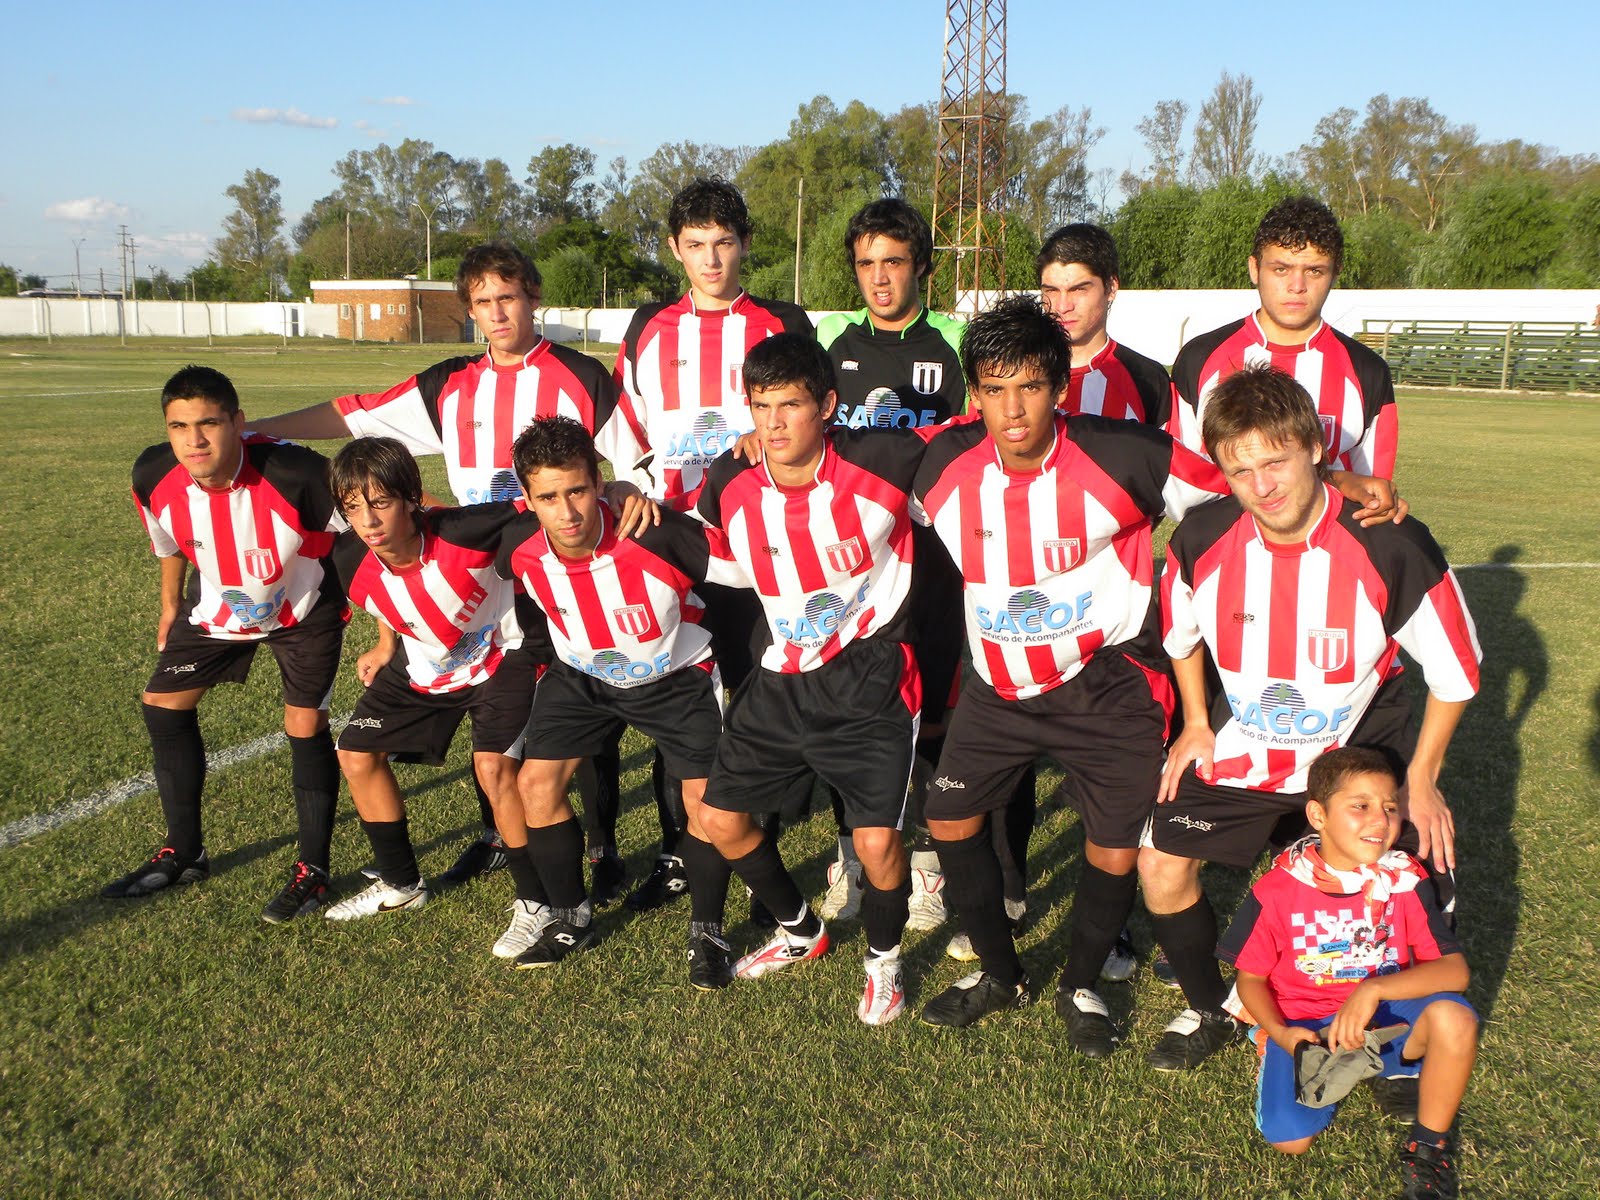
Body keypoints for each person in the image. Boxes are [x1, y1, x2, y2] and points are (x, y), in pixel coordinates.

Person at [247, 242, 638, 898]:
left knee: (572, 702)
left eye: (508, 297)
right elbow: (354, 411)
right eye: (483, 302)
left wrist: (620, 501)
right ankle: (495, 836)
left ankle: (602, 849)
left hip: (562, 563)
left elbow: (628, 459)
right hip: (478, 574)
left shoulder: (581, 375)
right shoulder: (449, 384)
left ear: (533, 297)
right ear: (470, 311)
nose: (498, 312)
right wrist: (256, 429)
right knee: (499, 722)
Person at [1140, 364, 1479, 1073]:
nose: (1261, 486)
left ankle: (1390, 1033)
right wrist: (1198, 720)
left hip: (1354, 756)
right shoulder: (1200, 539)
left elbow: (1455, 673)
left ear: (1315, 448)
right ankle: (1214, 1008)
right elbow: (1181, 639)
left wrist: (1421, 777)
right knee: (1160, 864)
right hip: (1250, 747)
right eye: (1239, 471)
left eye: (1275, 462)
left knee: (1406, 884)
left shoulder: (1390, 542)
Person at [909, 296, 1228, 1047]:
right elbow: (846, 464)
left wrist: (1340, 487)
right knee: (951, 819)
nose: (1011, 408)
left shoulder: (1129, 454)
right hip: (996, 688)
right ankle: (999, 972)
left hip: (1106, 685)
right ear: (973, 393)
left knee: (1112, 849)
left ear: (1059, 386)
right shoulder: (941, 462)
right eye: (992, 388)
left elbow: (1241, 488)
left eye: (1028, 386)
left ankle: (1080, 984)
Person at [695, 333, 931, 1026]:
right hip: (780, 674)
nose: (773, 424)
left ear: (827, 406)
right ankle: (801, 929)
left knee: (878, 844)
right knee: (720, 818)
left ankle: (884, 964)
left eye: (790, 405)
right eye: (761, 406)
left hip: (872, 673)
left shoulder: (890, 459)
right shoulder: (727, 479)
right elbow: (710, 542)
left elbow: (972, 451)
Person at [611, 178, 814, 913]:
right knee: (683, 700)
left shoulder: (781, 322)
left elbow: (811, 412)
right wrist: (632, 489)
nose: (711, 259)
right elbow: (626, 429)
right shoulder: (647, 329)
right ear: (674, 249)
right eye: (695, 245)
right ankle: (678, 849)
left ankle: (760, 840)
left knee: (759, 693)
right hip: (669, 539)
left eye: (724, 243)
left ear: (745, 245)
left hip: (755, 545)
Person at [493, 417, 743, 978]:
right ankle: (570, 917)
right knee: (535, 783)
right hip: (580, 677)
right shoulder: (518, 545)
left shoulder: (655, 532)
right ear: (527, 498)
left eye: (577, 490)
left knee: (705, 804)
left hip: (675, 678)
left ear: (600, 481)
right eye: (549, 497)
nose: (567, 512)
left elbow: (751, 569)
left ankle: (708, 934)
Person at [105, 365, 346, 924]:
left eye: (209, 423)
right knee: (163, 705)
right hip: (216, 603)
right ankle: (184, 853)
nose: (194, 439)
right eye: (179, 426)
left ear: (237, 422)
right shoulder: (152, 473)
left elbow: (369, 518)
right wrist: (170, 605)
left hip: (303, 610)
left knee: (303, 724)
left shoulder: (296, 472)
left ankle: (314, 872)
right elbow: (167, 541)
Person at [815, 198, 977, 938]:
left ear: (922, 268)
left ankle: (930, 873)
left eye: (894, 262)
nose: (880, 278)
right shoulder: (828, 339)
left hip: (938, 559)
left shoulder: (953, 340)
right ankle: (851, 856)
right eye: (867, 263)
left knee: (936, 713)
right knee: (854, 712)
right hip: (856, 565)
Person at [1219, 745, 1477, 1199]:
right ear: (1317, 815)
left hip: (1385, 1012)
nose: (1380, 820)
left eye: (1390, 807)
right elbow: (1251, 979)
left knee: (1455, 1017)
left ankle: (1427, 1150)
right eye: (1360, 806)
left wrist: (1372, 990)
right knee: (1291, 1140)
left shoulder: (1404, 880)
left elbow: (1454, 973)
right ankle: (1285, 1057)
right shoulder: (1279, 888)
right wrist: (1280, 1033)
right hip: (1307, 1023)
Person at [318, 438, 535, 929]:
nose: (369, 522)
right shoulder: (348, 559)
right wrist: (385, 644)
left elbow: (549, 499)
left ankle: (535, 901)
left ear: (412, 497)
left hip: (501, 656)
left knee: (494, 769)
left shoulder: (468, 528)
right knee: (354, 752)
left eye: (380, 503)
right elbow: (384, 597)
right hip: (426, 665)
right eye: (354, 508)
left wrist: (621, 487)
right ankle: (400, 884)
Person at [1168, 196, 1398, 480]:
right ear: (1254, 269)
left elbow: (1371, 490)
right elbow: (1185, 478)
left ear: (1335, 273)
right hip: (1223, 525)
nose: (1297, 286)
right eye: (1281, 269)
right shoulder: (1199, 358)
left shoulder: (1367, 371)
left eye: (1314, 271)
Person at [1037, 221, 1170, 426]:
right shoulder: (1009, 373)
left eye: (1079, 289)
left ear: (1111, 288)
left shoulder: (1147, 379)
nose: (1062, 306)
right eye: (1052, 291)